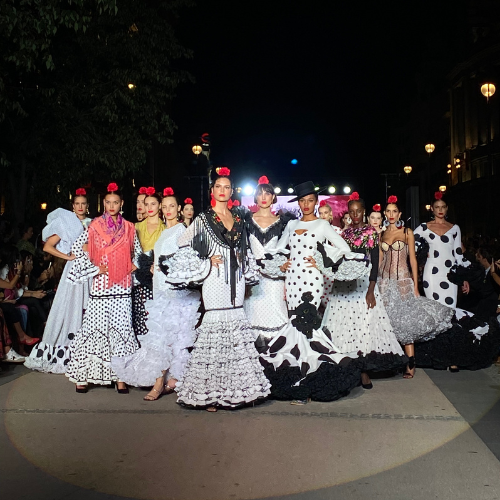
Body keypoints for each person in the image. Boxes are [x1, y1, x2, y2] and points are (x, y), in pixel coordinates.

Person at [162, 167, 270, 411]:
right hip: (214, 279)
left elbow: (256, 249)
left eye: (227, 187)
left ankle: (236, 391)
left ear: (232, 192)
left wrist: (247, 259)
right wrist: (205, 259)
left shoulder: (240, 219)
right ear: (212, 191)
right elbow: (181, 242)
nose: (223, 191)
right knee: (215, 327)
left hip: (237, 277)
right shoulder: (203, 219)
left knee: (234, 325)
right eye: (218, 187)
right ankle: (208, 393)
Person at [259, 182, 367, 403]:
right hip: (292, 280)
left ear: (316, 202)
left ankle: (310, 376)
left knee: (307, 324)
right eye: (302, 200)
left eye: (310, 200)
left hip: (312, 280)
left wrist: (321, 259)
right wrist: (282, 264)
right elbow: (278, 249)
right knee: (294, 324)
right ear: (298, 203)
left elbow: (344, 248)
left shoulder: (322, 225)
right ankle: (298, 375)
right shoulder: (291, 225)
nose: (306, 204)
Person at [112, 188, 201, 401]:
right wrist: (154, 266)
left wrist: (168, 268)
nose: (168, 210)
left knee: (170, 336)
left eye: (172, 206)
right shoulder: (163, 233)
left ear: (179, 208)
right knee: (162, 336)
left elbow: (188, 260)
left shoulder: (182, 231)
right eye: (165, 207)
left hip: (174, 291)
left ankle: (161, 382)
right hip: (159, 287)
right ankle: (170, 378)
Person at [322, 193, 407, 390]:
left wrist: (371, 289)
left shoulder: (370, 233)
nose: (355, 214)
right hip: (344, 285)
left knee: (363, 325)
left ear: (365, 212)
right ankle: (348, 368)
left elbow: (375, 262)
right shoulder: (343, 234)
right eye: (352, 212)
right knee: (342, 325)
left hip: (363, 284)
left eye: (359, 211)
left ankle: (364, 370)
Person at [65, 183, 140, 393]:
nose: (112, 205)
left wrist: (134, 265)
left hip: (122, 287)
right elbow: (76, 248)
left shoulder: (129, 227)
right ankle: (83, 376)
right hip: (100, 286)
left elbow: (139, 254)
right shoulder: (95, 226)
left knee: (122, 330)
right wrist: (95, 268)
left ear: (121, 203)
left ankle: (121, 377)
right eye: (108, 202)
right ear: (104, 204)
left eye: (116, 202)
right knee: (93, 328)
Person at [377, 196, 454, 378]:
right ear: (384, 214)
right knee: (388, 322)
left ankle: (410, 365)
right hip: (385, 283)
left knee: (407, 322)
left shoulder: (407, 232)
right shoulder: (381, 234)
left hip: (403, 281)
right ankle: (394, 362)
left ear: (400, 213)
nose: (391, 214)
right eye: (388, 211)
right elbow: (380, 260)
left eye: (395, 211)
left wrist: (416, 285)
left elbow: (412, 260)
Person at [24, 190, 93, 373]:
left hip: (91, 269)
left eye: (83, 203)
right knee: (69, 305)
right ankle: (65, 347)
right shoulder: (66, 223)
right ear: (72, 206)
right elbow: (48, 246)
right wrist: (68, 257)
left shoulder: (93, 223)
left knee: (89, 306)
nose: (80, 207)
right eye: (77, 203)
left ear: (87, 206)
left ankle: (87, 351)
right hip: (74, 269)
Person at [243, 176, 293, 342]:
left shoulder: (283, 222)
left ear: (273, 197)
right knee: (252, 314)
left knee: (277, 313)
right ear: (255, 197)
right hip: (253, 278)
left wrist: (287, 263)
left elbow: (290, 249)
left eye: (268, 193)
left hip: (275, 278)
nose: (264, 197)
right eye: (260, 193)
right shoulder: (246, 221)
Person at [414, 193, 469, 308]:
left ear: (447, 208)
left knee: (450, 308)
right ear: (432, 209)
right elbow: (411, 246)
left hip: (450, 273)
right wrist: (423, 254)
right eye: (437, 207)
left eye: (443, 207)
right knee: (434, 309)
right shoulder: (424, 227)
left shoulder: (454, 228)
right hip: (431, 273)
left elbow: (458, 254)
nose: (440, 210)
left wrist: (463, 278)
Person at [133, 188, 165, 336]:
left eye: (153, 204)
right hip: (138, 275)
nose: (149, 208)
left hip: (157, 274)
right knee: (139, 314)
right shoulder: (136, 227)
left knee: (156, 314)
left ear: (159, 205)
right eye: (147, 204)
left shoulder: (165, 228)